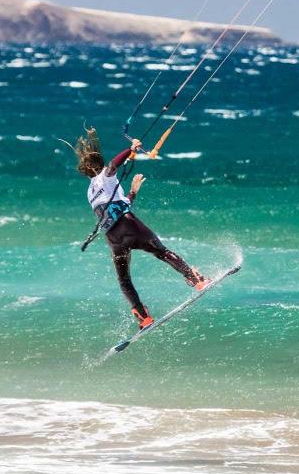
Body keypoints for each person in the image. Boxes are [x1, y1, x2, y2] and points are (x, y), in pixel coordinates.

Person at [75, 128, 210, 329]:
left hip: (113, 238)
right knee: (162, 252)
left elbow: (113, 207)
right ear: (99, 166)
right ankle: (196, 279)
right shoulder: (105, 175)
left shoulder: (90, 192)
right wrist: (130, 150)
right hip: (129, 225)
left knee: (124, 279)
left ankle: (142, 315)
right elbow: (113, 165)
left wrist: (132, 193)